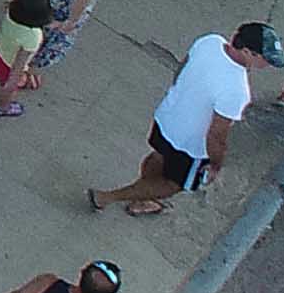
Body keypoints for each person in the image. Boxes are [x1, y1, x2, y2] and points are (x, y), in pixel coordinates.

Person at [87, 21, 268, 215]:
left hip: (168, 117)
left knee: (158, 157)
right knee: (174, 185)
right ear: (249, 52)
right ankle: (108, 197)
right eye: (266, 58)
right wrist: (216, 164)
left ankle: (144, 198)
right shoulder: (237, 90)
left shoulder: (211, 41)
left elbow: (181, 69)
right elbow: (216, 135)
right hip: (190, 144)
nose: (268, 64)